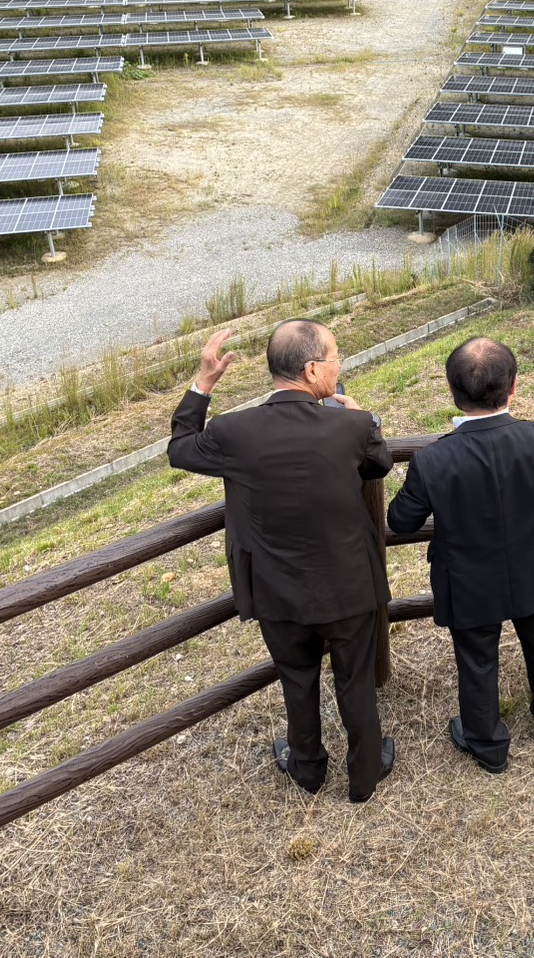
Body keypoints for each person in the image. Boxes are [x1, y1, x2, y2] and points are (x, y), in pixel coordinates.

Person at [167, 321, 396, 803]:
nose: (339, 366)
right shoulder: (350, 426)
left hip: (274, 588)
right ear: (312, 370)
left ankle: (308, 768)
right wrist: (364, 417)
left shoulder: (233, 431)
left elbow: (181, 450)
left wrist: (203, 383)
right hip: (349, 584)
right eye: (335, 358)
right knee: (355, 680)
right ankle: (365, 773)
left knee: (297, 678)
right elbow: (379, 464)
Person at [386, 337, 534, 774]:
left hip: (468, 579)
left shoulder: (433, 459)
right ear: (514, 387)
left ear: (451, 391)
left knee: (477, 662)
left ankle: (487, 745)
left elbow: (401, 520)